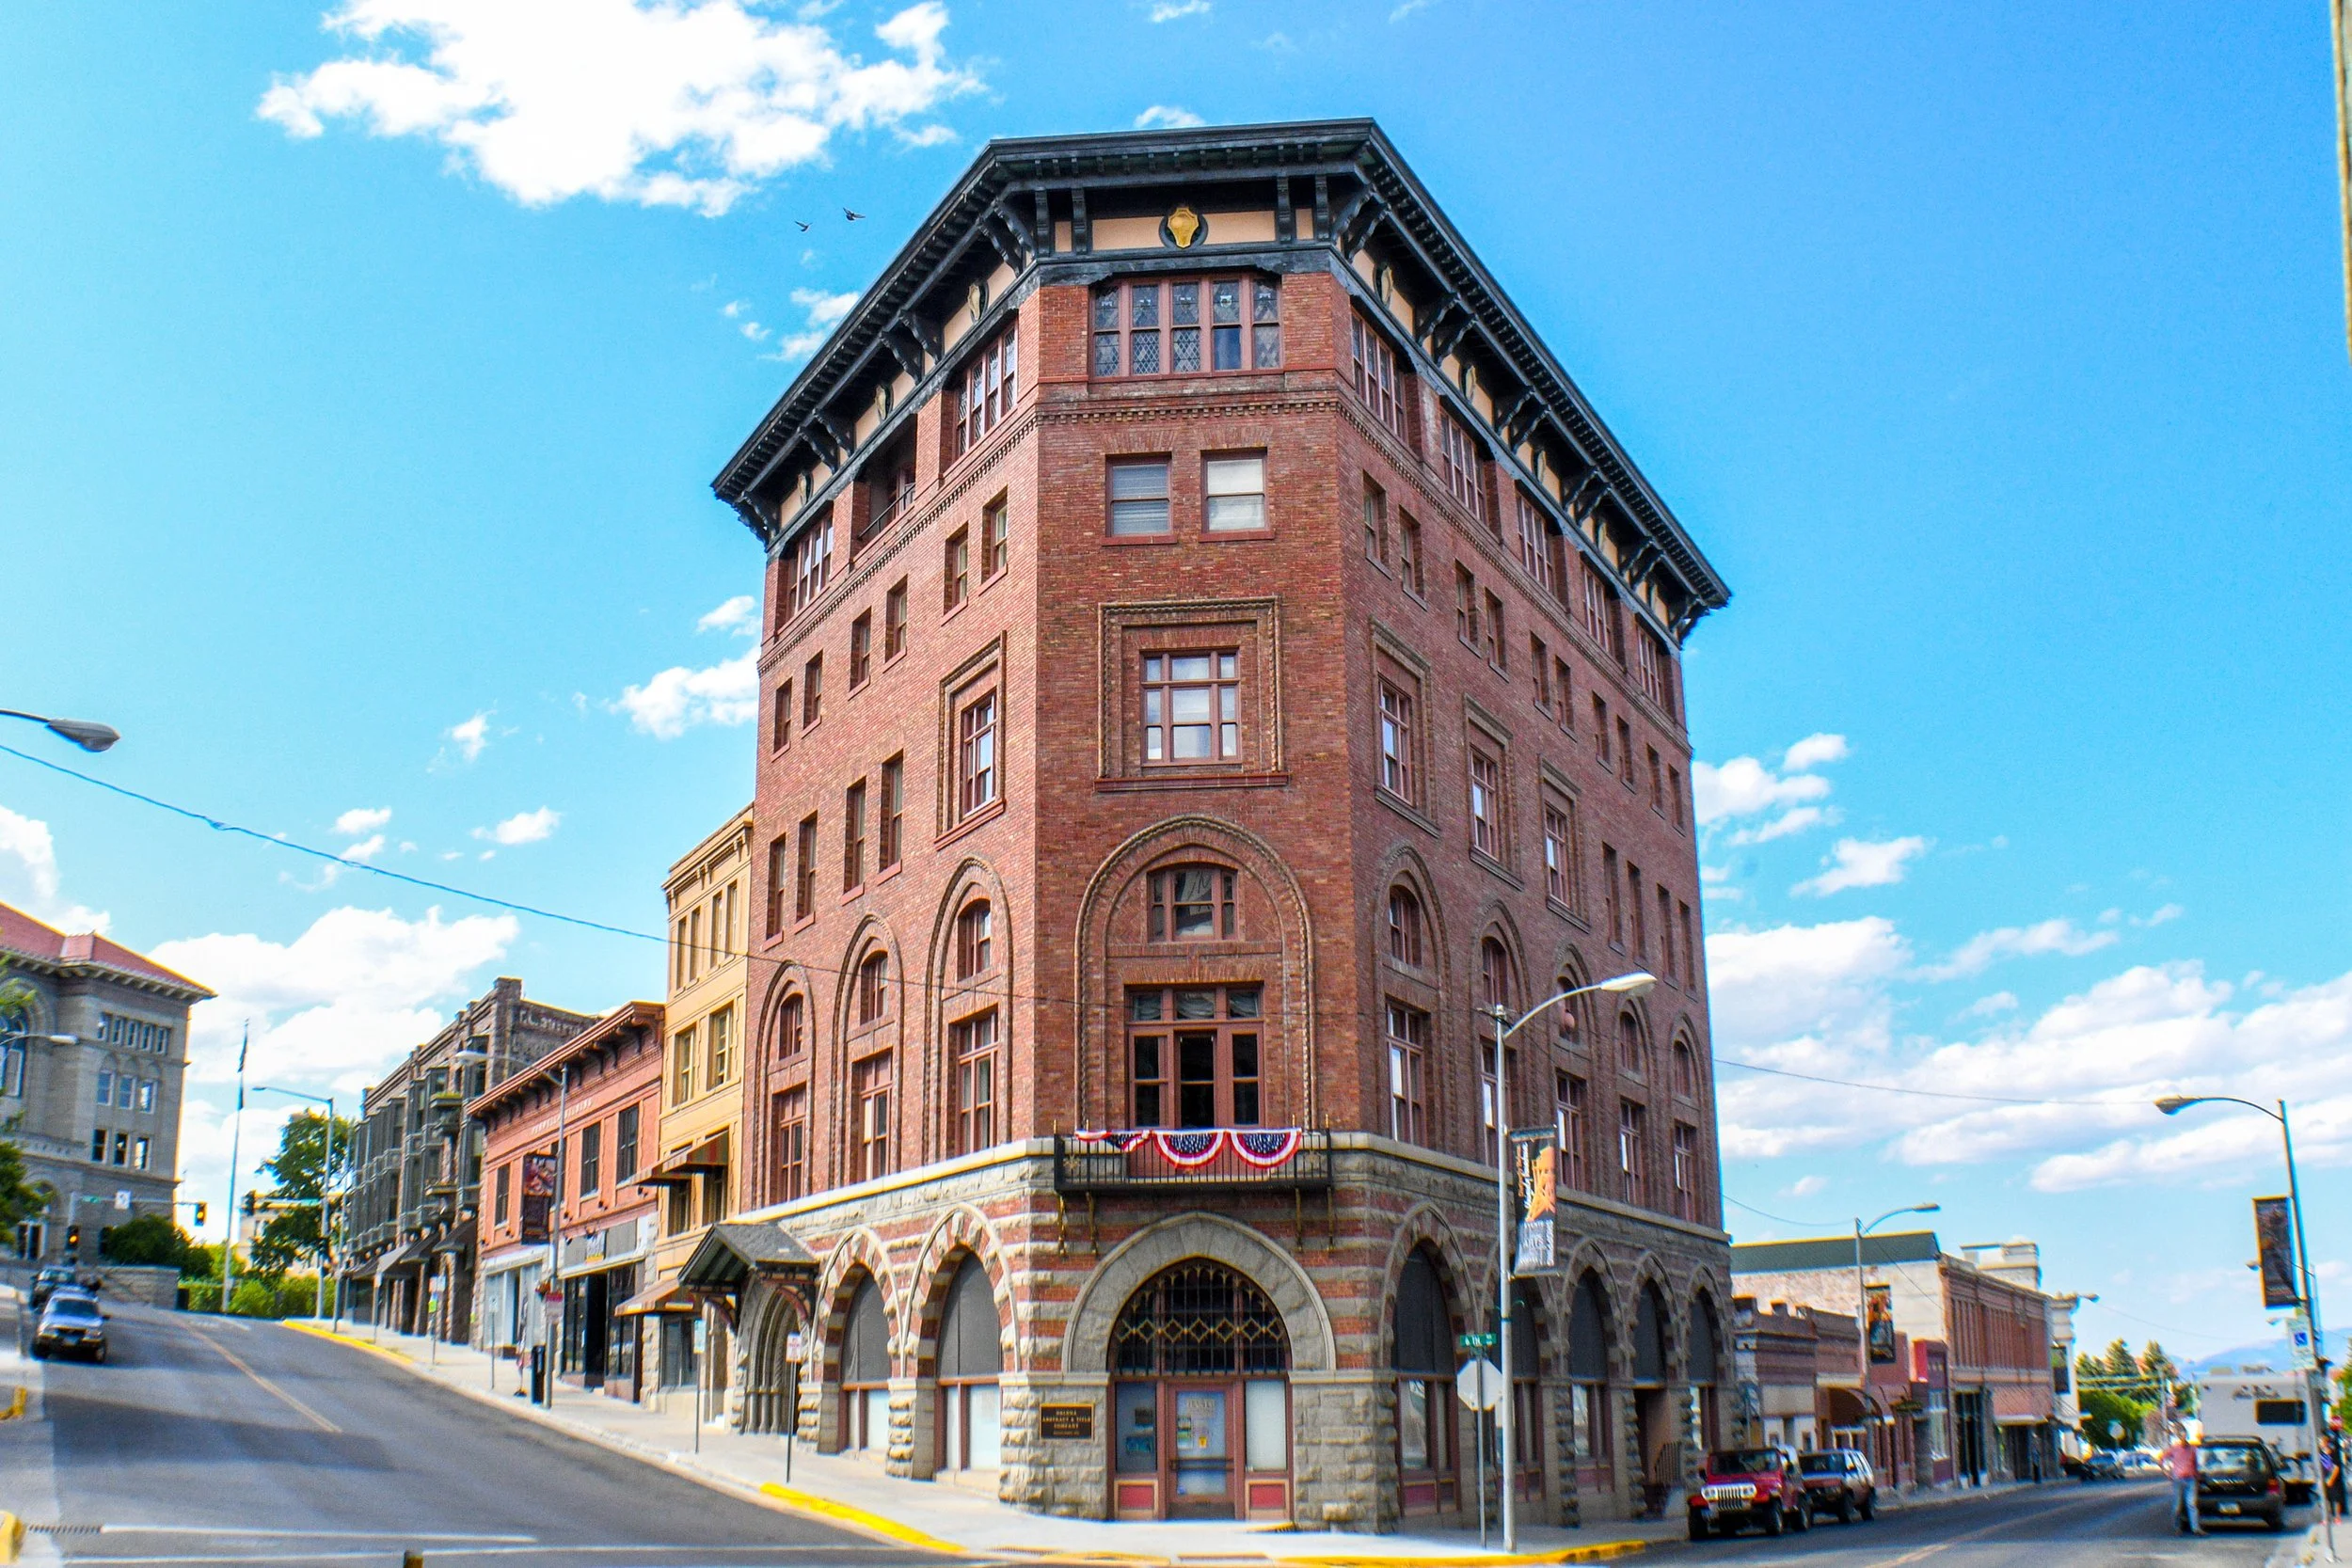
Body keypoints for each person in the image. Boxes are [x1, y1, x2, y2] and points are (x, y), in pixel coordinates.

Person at [2166, 1433, 2202, 1535]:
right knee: (2177, 1505)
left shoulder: (2192, 1449)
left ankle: (2196, 1529)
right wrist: (2166, 1472)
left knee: (2191, 1504)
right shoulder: (2175, 1449)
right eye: (2181, 1438)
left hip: (2191, 1479)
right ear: (2179, 1439)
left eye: (2185, 1438)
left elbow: (2196, 1464)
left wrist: (2197, 1475)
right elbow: (2161, 1458)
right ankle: (2177, 1528)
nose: (2183, 1440)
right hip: (2178, 1480)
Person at [2326, 1418, 2347, 1521]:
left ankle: (2337, 1513)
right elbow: (2332, 1452)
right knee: (2335, 1490)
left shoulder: (2335, 1435)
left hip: (2333, 1465)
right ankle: (2336, 1513)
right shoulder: (2333, 1435)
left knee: (2335, 1490)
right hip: (2333, 1465)